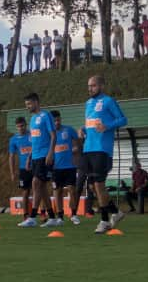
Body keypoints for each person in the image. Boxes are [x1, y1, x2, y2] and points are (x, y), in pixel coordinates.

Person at [80, 75, 129, 234]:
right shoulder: (88, 103)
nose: (90, 89)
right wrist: (83, 129)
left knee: (99, 184)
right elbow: (91, 123)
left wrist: (107, 126)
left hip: (102, 149)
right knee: (93, 187)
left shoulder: (108, 101)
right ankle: (116, 212)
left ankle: (104, 221)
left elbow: (123, 120)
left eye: (93, 86)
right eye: (89, 86)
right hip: (88, 148)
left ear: (101, 86)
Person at [20, 93, 56, 227]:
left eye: (29, 104)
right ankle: (52, 217)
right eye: (26, 105)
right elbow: (34, 141)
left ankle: (33, 217)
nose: (27, 107)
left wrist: (51, 152)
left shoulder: (45, 116)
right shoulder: (33, 119)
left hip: (44, 156)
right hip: (35, 157)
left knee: (36, 183)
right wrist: (29, 157)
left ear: (36, 102)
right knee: (42, 187)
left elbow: (53, 135)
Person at [50, 110, 81, 226]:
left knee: (72, 190)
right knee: (57, 191)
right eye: (54, 121)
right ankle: (60, 216)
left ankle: (73, 214)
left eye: (58, 120)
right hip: (56, 168)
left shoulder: (68, 130)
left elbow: (79, 141)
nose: (57, 123)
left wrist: (76, 149)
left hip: (69, 166)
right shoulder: (49, 134)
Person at [8, 117, 33, 219]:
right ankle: (25, 214)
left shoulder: (32, 135)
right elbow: (11, 156)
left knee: (38, 190)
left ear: (26, 125)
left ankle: (42, 213)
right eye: (18, 126)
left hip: (35, 166)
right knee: (25, 191)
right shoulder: (14, 139)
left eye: (22, 126)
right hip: (23, 169)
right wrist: (12, 172)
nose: (20, 128)